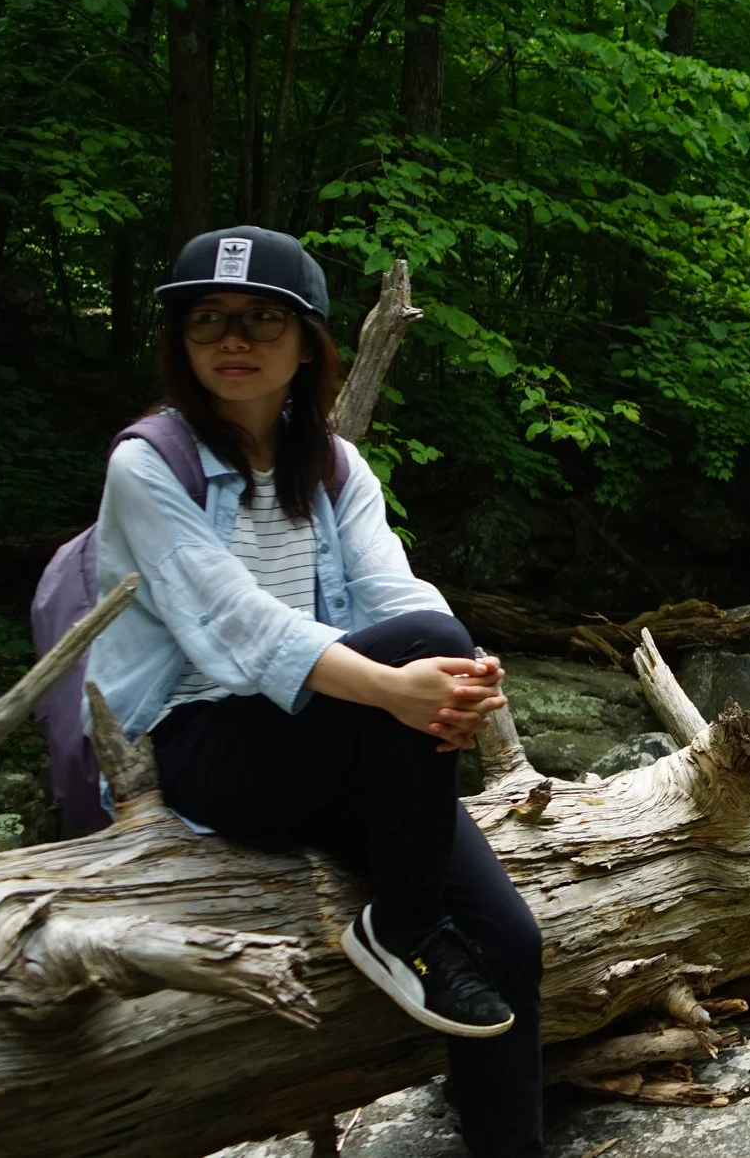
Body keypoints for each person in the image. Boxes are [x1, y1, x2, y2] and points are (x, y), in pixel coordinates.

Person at [88, 226, 543, 1158]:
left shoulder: (331, 464)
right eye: (206, 319)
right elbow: (235, 626)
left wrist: (464, 674)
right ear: (180, 342)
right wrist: (397, 681)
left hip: (333, 739)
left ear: (308, 343)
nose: (232, 338)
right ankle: (403, 927)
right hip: (206, 749)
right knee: (421, 650)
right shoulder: (146, 464)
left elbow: (396, 595)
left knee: (509, 942)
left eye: (262, 318)